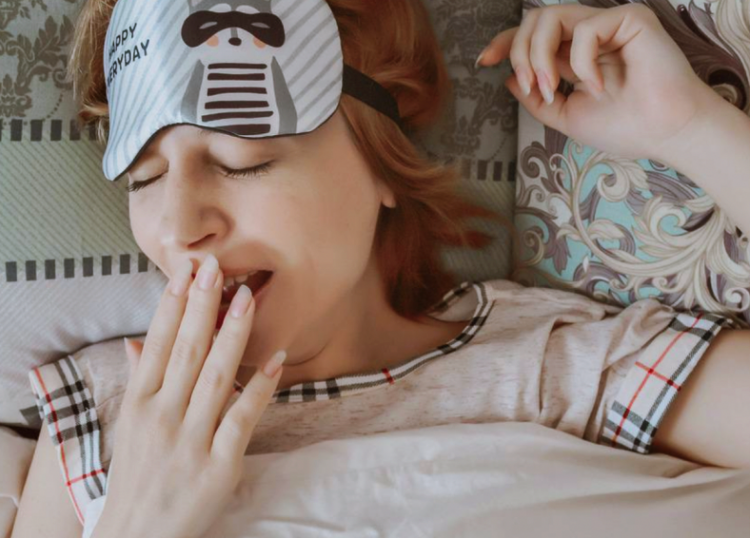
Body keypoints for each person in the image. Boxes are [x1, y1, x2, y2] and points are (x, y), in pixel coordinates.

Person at [11, 1, 750, 537]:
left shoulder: (552, 366)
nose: (177, 229)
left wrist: (689, 127)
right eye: (142, 178)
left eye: (243, 160)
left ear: (383, 165)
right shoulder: (107, 410)